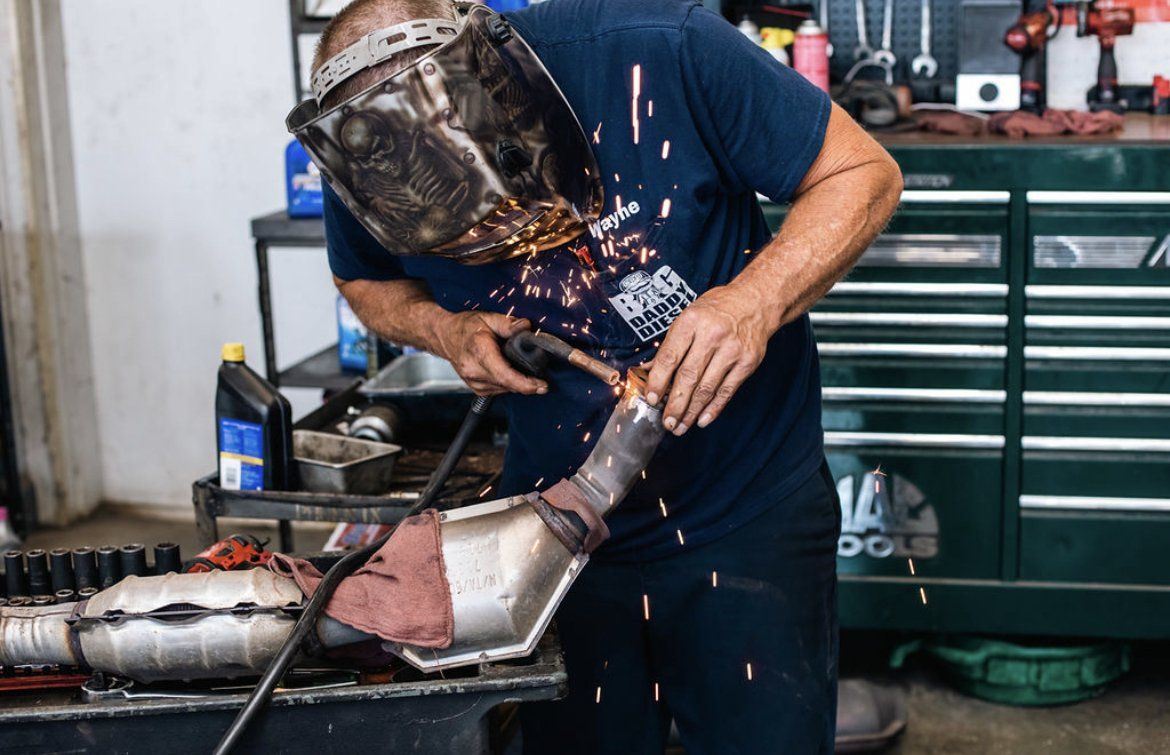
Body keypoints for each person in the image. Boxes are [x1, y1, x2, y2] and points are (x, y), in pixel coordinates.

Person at [311, 0, 901, 751]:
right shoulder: (366, 151)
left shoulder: (662, 49)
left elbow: (863, 172)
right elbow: (364, 281)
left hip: (747, 511)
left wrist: (751, 302)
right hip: (552, 531)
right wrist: (444, 328)